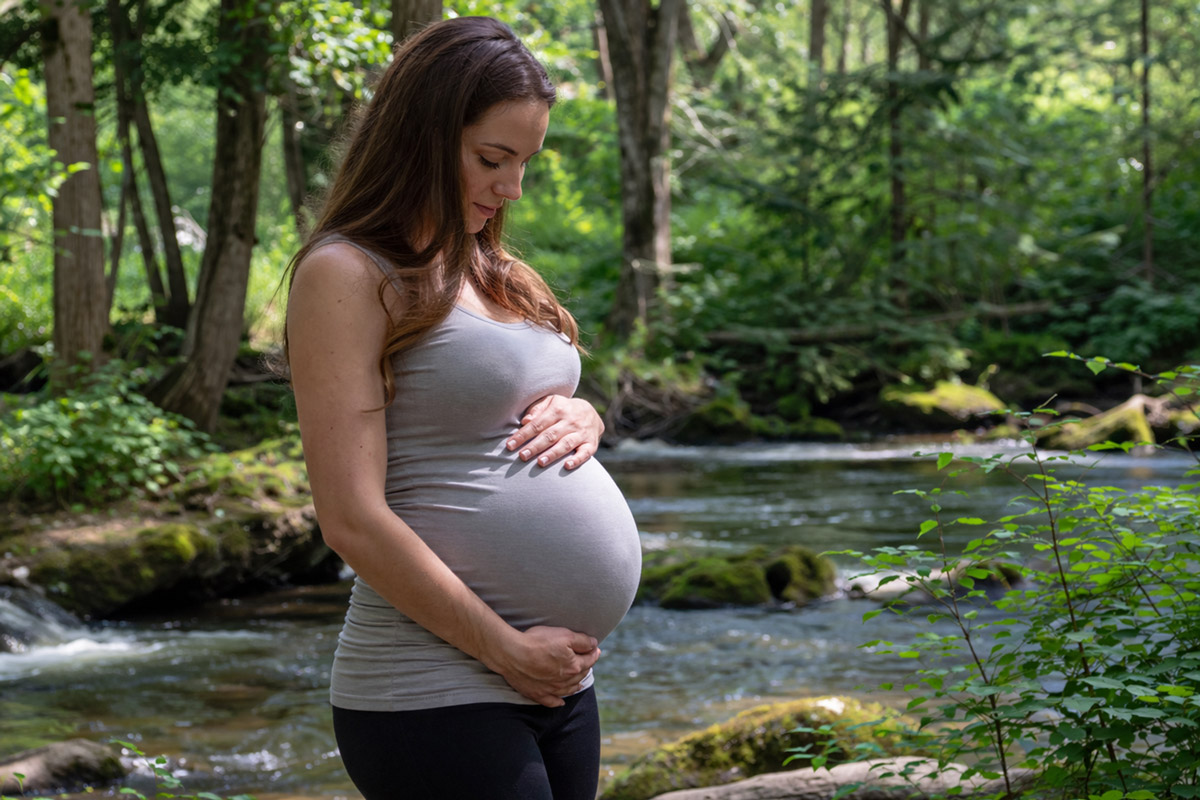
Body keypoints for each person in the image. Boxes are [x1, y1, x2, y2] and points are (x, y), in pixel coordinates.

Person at [284, 16, 643, 800]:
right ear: (421, 135)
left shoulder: (491, 266)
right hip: (433, 687)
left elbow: (505, 404)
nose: (511, 187)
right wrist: (507, 649)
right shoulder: (349, 272)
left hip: (558, 683)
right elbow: (348, 516)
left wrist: (588, 419)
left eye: (524, 163)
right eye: (492, 158)